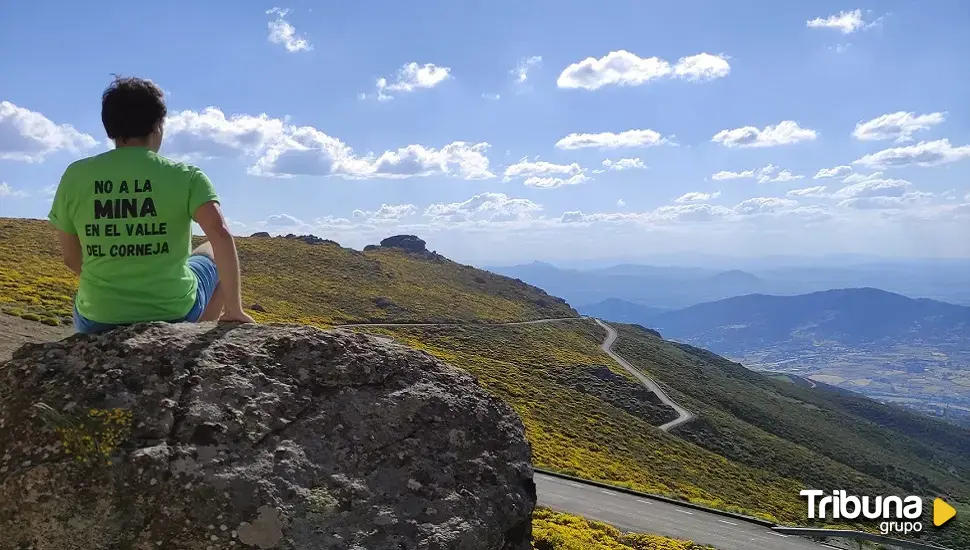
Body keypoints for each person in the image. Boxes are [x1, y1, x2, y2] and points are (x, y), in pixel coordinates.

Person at [48, 76, 255, 333]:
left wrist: (116, 289)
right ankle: (198, 330)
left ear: (109, 128)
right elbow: (221, 233)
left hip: (97, 317)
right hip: (175, 311)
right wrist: (234, 309)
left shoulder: (75, 175)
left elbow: (70, 258)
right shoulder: (187, 176)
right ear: (158, 125)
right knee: (214, 248)